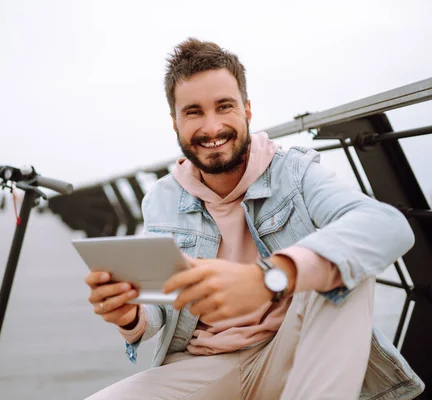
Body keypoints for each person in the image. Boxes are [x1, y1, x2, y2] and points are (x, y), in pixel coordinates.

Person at [83, 38, 425, 399]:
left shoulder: (294, 172)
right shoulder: (161, 198)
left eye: (224, 106)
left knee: (347, 265)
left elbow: (386, 226)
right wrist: (131, 315)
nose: (211, 128)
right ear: (175, 123)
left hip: (293, 353)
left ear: (247, 110)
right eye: (194, 112)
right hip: (203, 367)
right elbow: (162, 307)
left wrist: (268, 278)